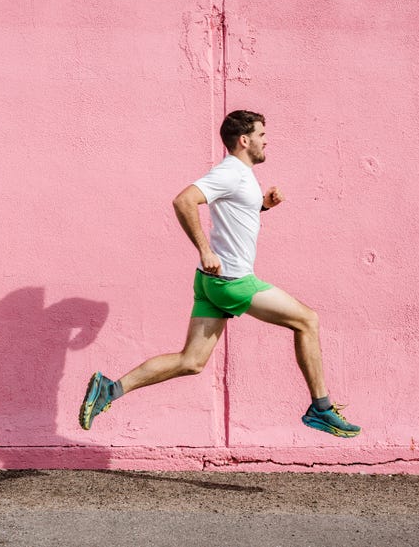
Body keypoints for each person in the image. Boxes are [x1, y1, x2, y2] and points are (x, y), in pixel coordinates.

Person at [79, 110, 360, 438]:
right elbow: (184, 201)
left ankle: (109, 390)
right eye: (261, 135)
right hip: (232, 282)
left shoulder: (241, 175)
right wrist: (205, 250)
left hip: (210, 282)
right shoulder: (231, 173)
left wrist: (263, 205)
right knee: (307, 320)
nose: (267, 141)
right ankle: (321, 409)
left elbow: (233, 211)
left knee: (191, 361)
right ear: (244, 140)